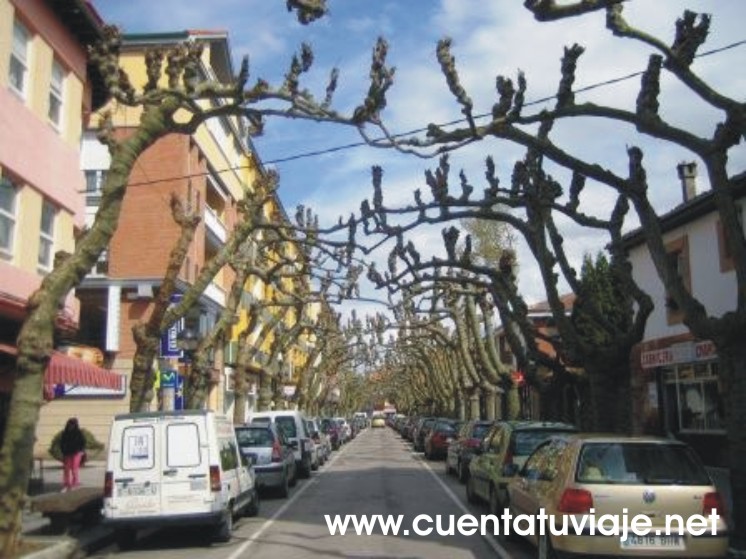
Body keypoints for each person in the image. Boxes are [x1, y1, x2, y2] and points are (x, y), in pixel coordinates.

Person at [60, 417, 86, 491]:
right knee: (66, 470)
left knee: (74, 469)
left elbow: (83, 442)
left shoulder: (78, 433)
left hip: (76, 453)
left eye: (73, 425)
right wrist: (63, 450)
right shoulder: (64, 433)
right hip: (67, 453)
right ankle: (66, 484)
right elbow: (62, 443)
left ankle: (74, 483)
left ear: (75, 425)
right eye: (70, 424)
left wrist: (80, 450)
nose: (71, 426)